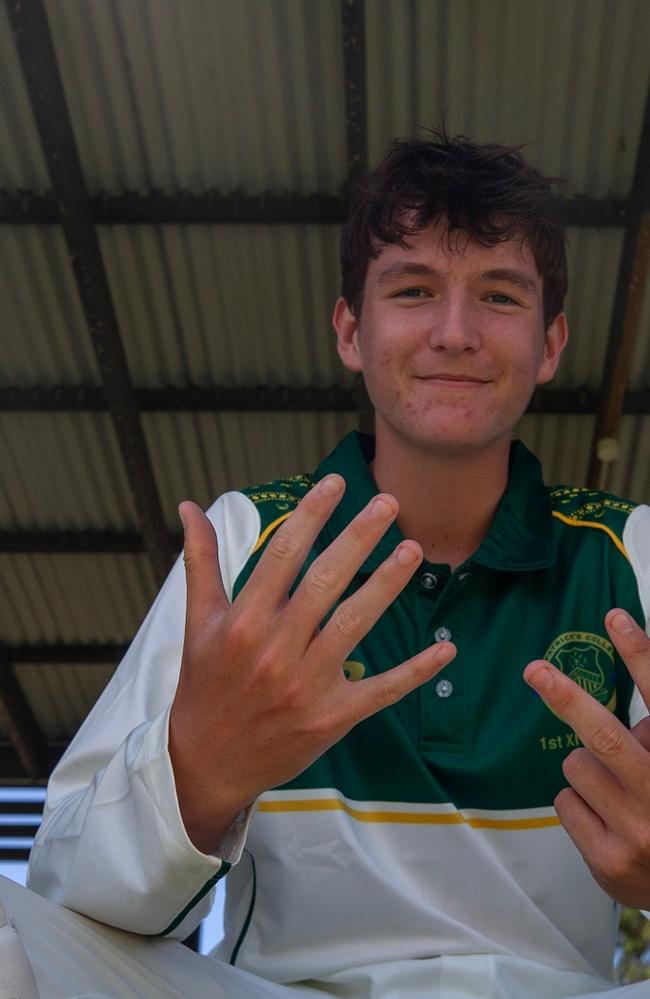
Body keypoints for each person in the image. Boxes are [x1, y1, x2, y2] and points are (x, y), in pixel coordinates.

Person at [1, 132, 650, 999]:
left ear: (551, 343)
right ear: (351, 329)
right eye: (413, 290)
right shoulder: (245, 539)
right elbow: (63, 896)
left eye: (499, 295)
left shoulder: (630, 550)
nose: (454, 333)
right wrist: (199, 773)